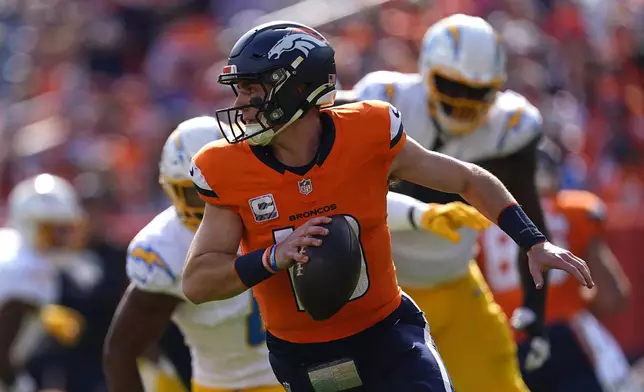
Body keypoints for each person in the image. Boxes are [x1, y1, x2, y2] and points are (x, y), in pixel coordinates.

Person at [182, 21, 593, 392]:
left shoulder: (368, 131)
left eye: (252, 90)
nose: (239, 104)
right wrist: (272, 257)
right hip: (304, 355)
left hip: (387, 334)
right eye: (239, 90)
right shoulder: (227, 168)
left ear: (295, 87)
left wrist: (534, 241)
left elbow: (468, 179)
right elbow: (197, 282)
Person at [337, 13, 551, 392]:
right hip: (383, 291)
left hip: (454, 280)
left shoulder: (510, 128)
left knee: (499, 384)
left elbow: (530, 221)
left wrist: (536, 310)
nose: (463, 101)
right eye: (452, 85)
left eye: (476, 91)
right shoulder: (384, 102)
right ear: (426, 71)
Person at [103, 116, 281, 392]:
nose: (212, 199)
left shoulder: (275, 209)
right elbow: (121, 350)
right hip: (225, 387)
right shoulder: (165, 246)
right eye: (196, 192)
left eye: (220, 184)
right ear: (171, 190)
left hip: (301, 369)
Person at [479, 138, 632, 392]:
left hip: (508, 345)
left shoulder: (480, 222)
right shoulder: (574, 210)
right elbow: (613, 298)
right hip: (566, 339)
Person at [0, 174, 87, 392]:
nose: (61, 238)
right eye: (52, 229)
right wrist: (17, 386)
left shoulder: (9, 244)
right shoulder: (28, 268)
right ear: (30, 224)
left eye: (64, 229)